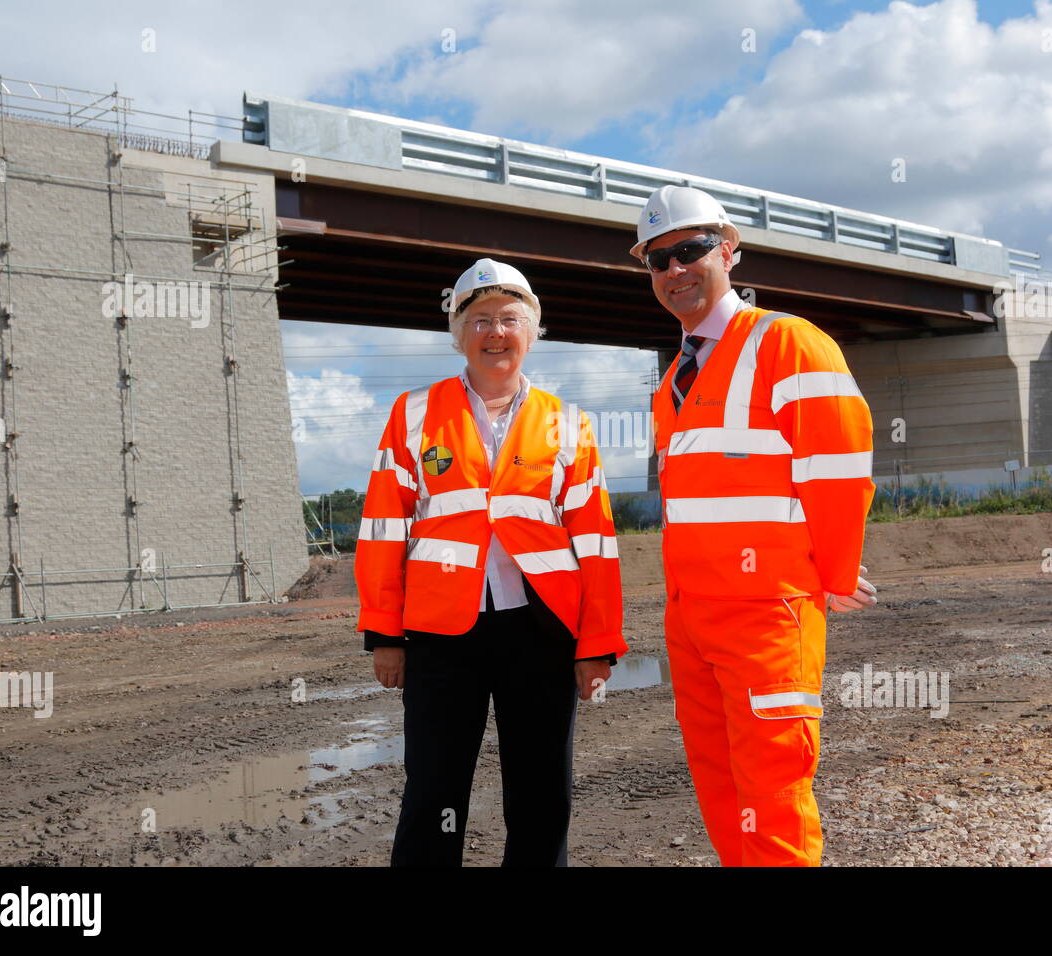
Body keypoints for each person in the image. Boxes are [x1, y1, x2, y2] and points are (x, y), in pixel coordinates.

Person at [632, 185, 879, 867]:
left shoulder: (788, 343)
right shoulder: (672, 384)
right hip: (691, 619)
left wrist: (831, 570)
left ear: (729, 250)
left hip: (767, 616)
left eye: (691, 250)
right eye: (659, 260)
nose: (676, 270)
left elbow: (839, 465)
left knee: (772, 799)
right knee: (723, 795)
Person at [354, 257, 626, 867]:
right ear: (458, 333)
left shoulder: (568, 423)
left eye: (509, 319)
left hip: (542, 631)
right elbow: (381, 529)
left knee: (541, 793)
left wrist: (596, 642)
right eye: (479, 320)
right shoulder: (413, 415)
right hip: (440, 635)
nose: (495, 333)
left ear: (532, 331)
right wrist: (384, 634)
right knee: (432, 793)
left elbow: (597, 542)